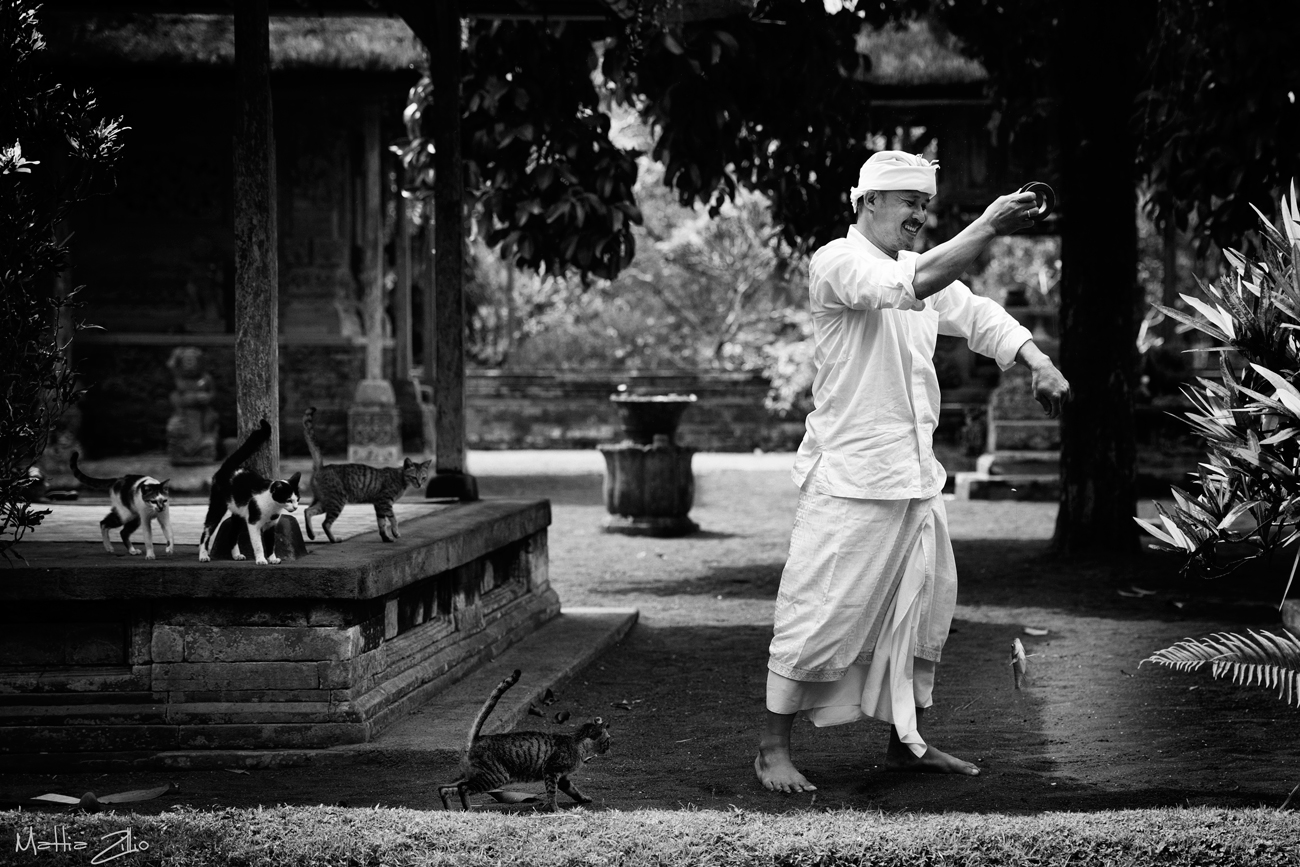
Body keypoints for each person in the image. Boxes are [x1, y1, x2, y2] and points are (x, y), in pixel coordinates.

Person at [755, 151, 1070, 793]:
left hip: (916, 475)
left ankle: (906, 744)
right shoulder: (836, 263)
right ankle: (771, 750)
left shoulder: (919, 269)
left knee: (922, 611)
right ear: (868, 202)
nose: (919, 215)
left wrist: (1037, 359)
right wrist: (988, 225)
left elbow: (978, 315)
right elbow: (911, 286)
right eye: (908, 203)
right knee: (819, 610)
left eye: (924, 205)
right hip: (850, 476)